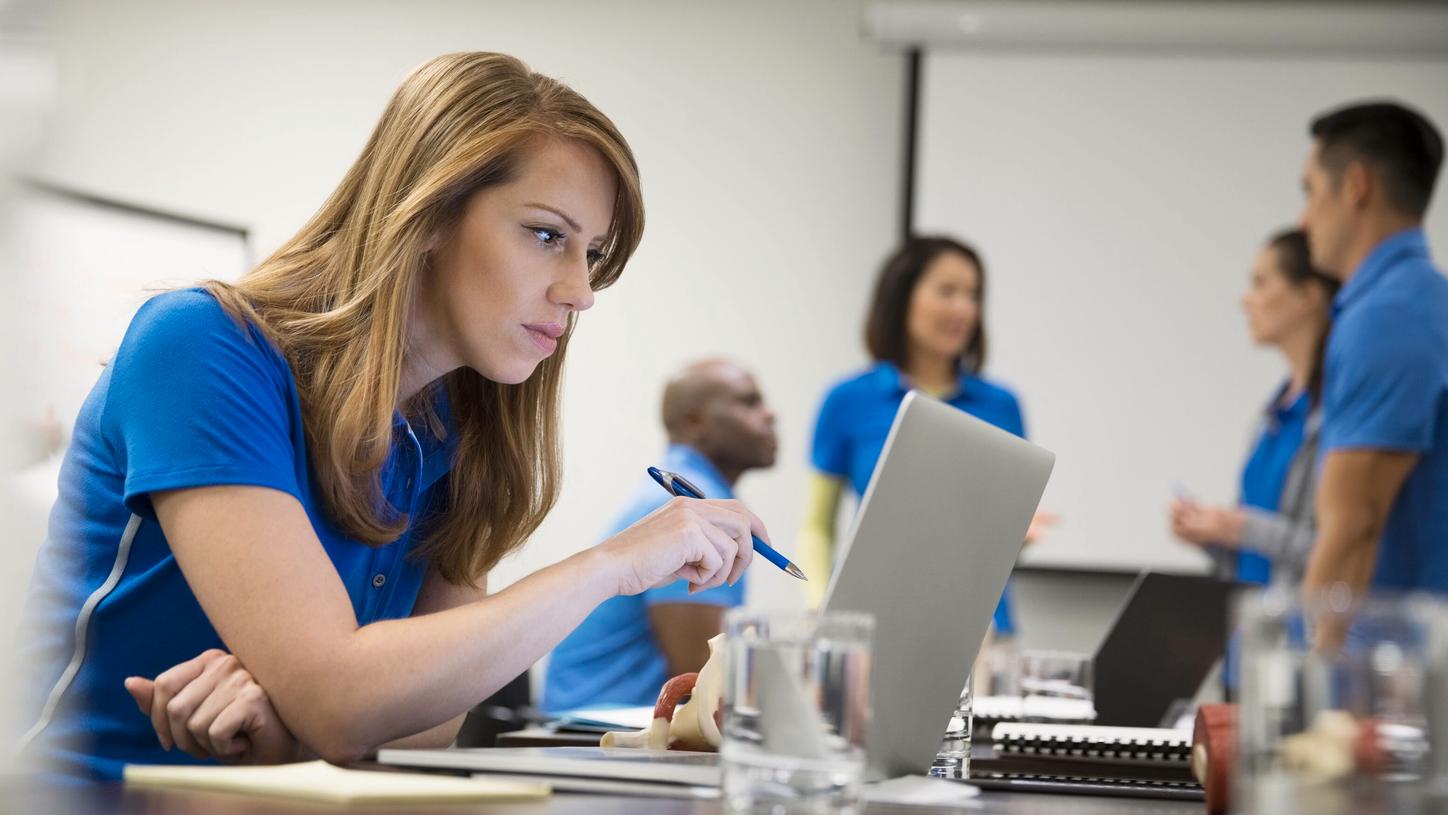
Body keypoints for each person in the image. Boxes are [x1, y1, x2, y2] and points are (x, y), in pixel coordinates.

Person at [14, 52, 770, 780]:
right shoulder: (201, 345)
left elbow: (425, 715)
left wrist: (288, 732)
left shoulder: (455, 420)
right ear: (431, 212)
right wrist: (613, 564)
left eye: (593, 253)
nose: (581, 291)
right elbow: (341, 696)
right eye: (547, 236)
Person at [799, 235, 1050, 637]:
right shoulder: (847, 400)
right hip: (872, 628)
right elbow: (817, 525)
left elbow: (997, 538)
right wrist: (819, 604)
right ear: (902, 297)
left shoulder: (1002, 406)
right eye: (947, 291)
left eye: (973, 295)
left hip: (981, 630)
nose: (963, 309)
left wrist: (1014, 537)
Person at [542, 359, 777, 712]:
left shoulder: (693, 499)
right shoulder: (690, 512)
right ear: (696, 423)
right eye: (749, 402)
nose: (770, 414)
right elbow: (704, 678)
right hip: (590, 736)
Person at [1295, 101, 1448, 601]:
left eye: (1310, 192)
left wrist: (1309, 672)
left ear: (1356, 187)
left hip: (1403, 659)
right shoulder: (1422, 299)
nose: (1303, 219)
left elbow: (1354, 528)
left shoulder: (1387, 317)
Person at [1170, 230, 1338, 587]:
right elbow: (1255, 557)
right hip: (1250, 633)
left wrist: (1242, 527)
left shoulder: (1336, 417)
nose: (1246, 301)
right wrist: (1214, 534)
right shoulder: (1271, 417)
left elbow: (1340, 552)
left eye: (1261, 283)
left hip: (1301, 638)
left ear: (1308, 295)